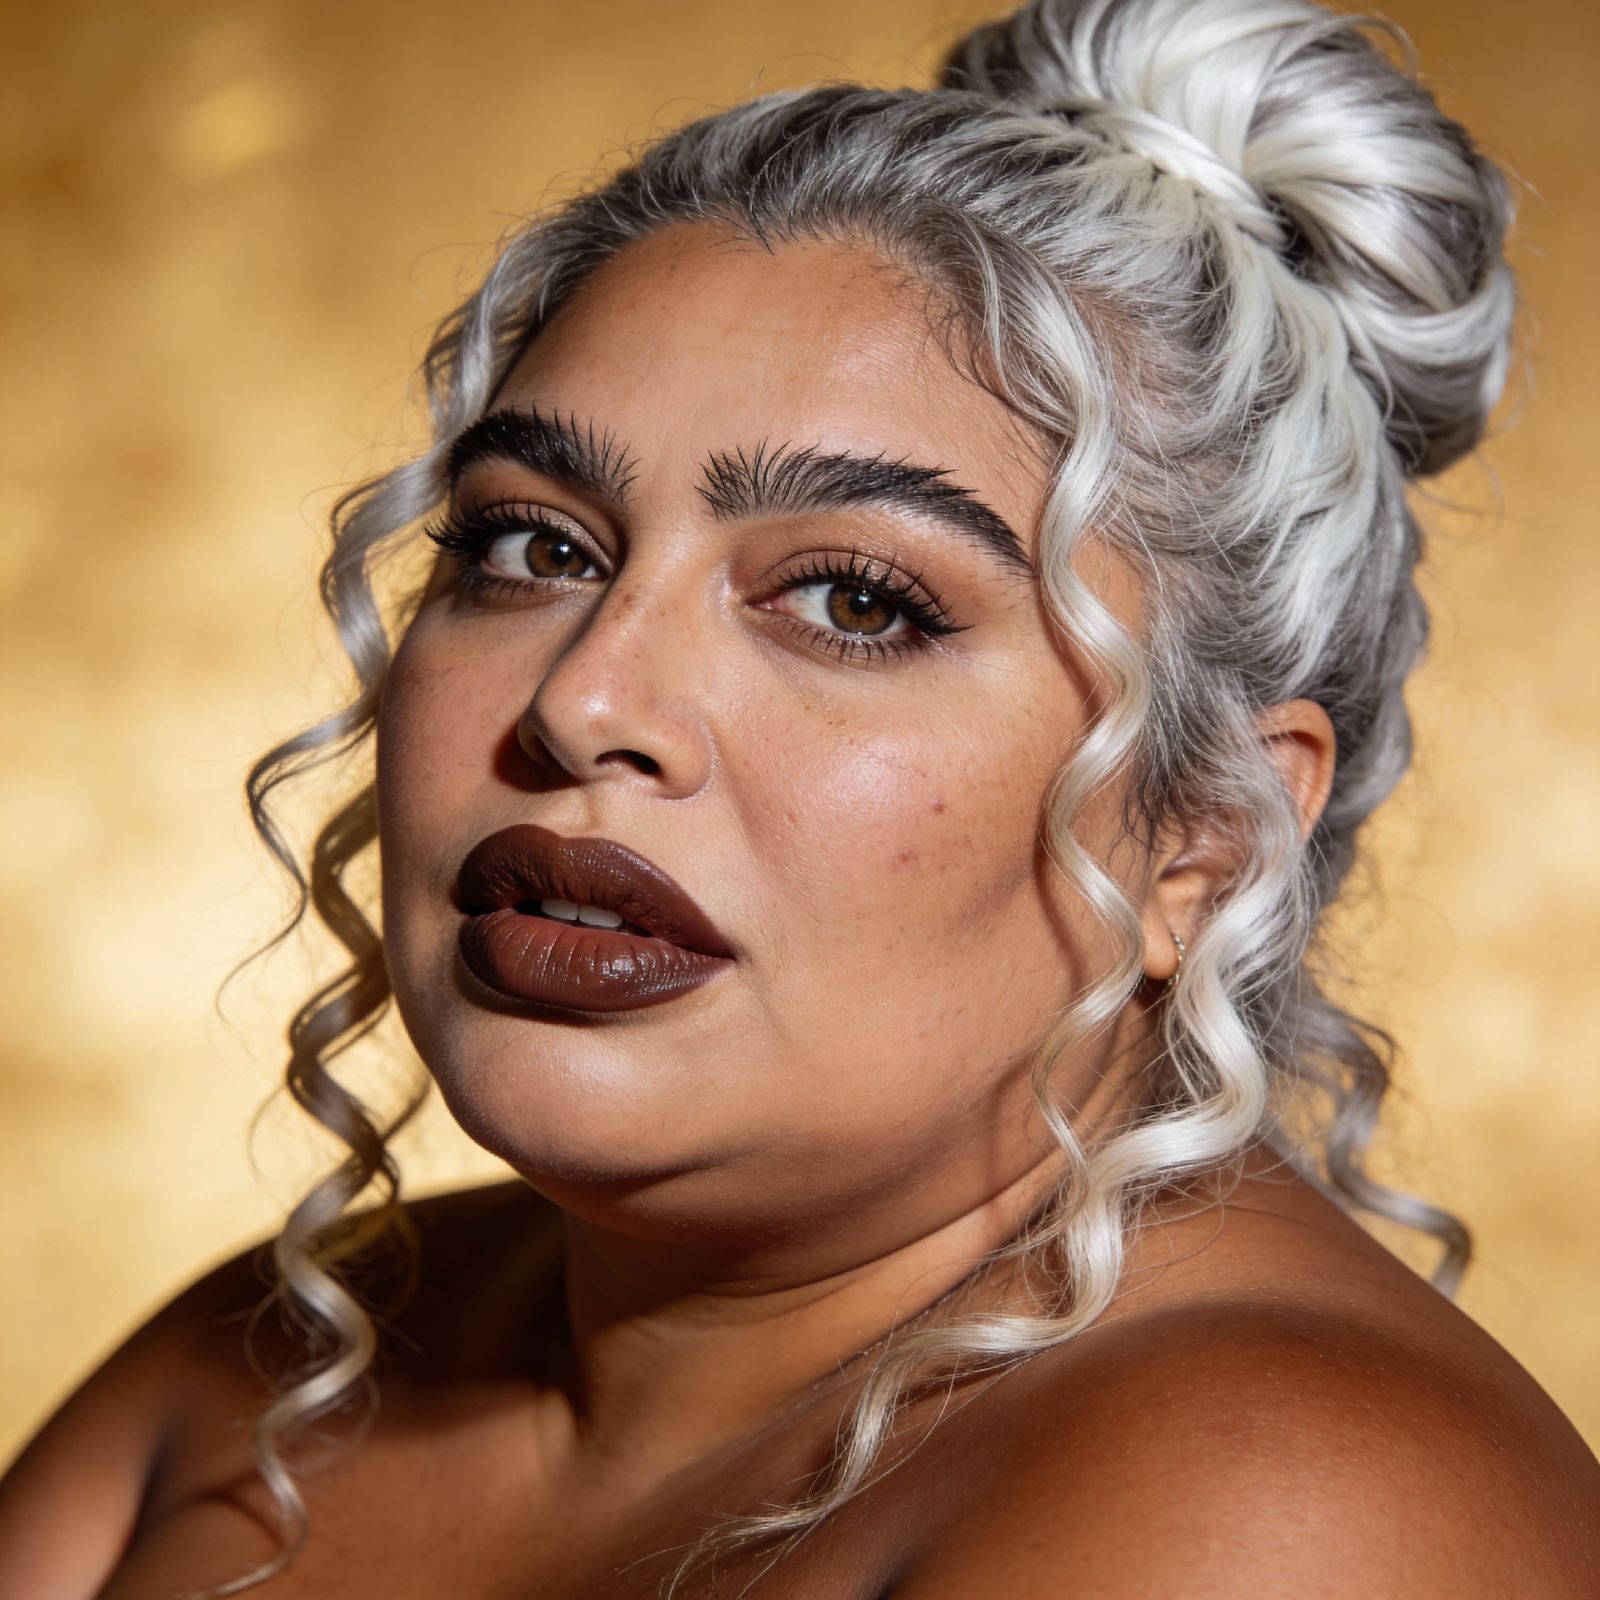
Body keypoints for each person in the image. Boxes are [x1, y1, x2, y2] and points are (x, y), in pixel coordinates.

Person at [3, 0, 1597, 1594]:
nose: (584, 701)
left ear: (1209, 831)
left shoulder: (1287, 1512)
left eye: (851, 603)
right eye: (532, 547)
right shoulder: (260, 1376)